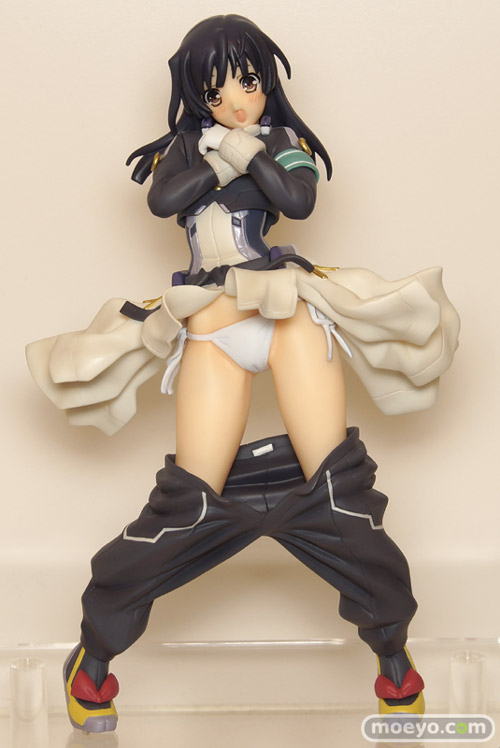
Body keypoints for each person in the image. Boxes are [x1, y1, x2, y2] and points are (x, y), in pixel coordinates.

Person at [26, 15, 459, 733]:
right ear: (196, 95)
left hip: (286, 314)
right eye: (215, 90)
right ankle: (94, 657)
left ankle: (393, 659)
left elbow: (297, 201)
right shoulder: (182, 148)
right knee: (189, 501)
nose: (234, 100)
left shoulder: (283, 141)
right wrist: (221, 156)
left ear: (266, 83)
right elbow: (165, 200)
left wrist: (248, 151)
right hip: (213, 324)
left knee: (338, 488)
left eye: (247, 82)